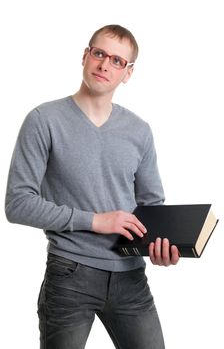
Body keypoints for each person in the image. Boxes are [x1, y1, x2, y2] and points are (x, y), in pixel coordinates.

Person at [5, 24, 179, 349]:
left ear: (127, 73)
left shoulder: (139, 131)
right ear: (85, 56)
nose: (104, 65)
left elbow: (152, 206)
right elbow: (17, 203)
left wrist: (160, 248)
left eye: (117, 60)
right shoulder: (44, 120)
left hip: (131, 275)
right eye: (99, 54)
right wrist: (95, 221)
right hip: (70, 274)